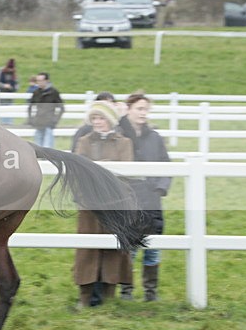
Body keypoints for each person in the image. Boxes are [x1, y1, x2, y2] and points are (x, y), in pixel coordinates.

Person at [72, 101, 134, 308]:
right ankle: (86, 297)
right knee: (87, 251)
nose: (97, 122)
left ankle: (108, 298)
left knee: (113, 251)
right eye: (94, 118)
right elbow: (79, 171)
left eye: (101, 118)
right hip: (89, 205)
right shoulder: (84, 142)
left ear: (110, 120)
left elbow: (125, 174)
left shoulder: (124, 143)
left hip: (114, 205)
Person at [118, 92, 172, 302]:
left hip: (152, 200)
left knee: (153, 247)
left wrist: (161, 187)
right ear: (129, 109)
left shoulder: (155, 137)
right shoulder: (121, 135)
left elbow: (166, 164)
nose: (143, 113)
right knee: (130, 247)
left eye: (146, 109)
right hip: (129, 200)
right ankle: (126, 291)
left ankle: (151, 292)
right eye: (139, 108)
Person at [27, 72, 64, 148]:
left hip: (48, 123)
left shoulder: (53, 93)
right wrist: (31, 119)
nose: (39, 83)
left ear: (47, 80)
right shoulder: (36, 92)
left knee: (48, 148)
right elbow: (30, 107)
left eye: (41, 80)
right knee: (37, 148)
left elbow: (61, 108)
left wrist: (55, 120)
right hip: (38, 123)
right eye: (38, 81)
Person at [0, 58, 17, 125]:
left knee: (10, 110)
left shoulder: (14, 73)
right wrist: (4, 85)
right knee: (1, 110)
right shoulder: (1, 71)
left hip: (10, 95)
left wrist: (12, 87)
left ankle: (9, 124)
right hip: (2, 94)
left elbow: (17, 84)